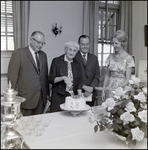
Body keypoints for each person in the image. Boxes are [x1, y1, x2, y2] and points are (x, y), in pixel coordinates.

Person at [7, 31, 49, 116]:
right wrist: (16, 98)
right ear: (31, 39)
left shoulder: (43, 55)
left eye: (42, 43)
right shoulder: (19, 53)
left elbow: (44, 77)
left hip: (41, 99)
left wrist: (47, 94)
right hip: (25, 99)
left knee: (39, 125)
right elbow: (12, 78)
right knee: (26, 125)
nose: (40, 45)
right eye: (38, 42)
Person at [96, 30, 135, 100]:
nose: (114, 45)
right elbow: (107, 75)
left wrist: (117, 88)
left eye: (116, 43)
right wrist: (104, 90)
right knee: (109, 108)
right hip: (110, 87)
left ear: (122, 43)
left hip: (122, 88)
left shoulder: (129, 59)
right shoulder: (110, 57)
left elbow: (127, 79)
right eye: (113, 43)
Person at [48, 41, 82, 112]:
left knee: (69, 119)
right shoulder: (56, 61)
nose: (72, 52)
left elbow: (79, 81)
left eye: (74, 50)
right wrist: (63, 78)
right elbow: (51, 79)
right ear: (65, 49)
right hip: (58, 96)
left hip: (72, 96)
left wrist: (80, 95)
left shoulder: (77, 64)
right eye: (70, 49)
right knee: (57, 118)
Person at [75, 35, 100, 106]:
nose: (85, 46)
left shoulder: (94, 58)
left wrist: (91, 88)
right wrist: (83, 86)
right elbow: (74, 76)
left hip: (91, 94)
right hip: (77, 93)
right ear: (79, 44)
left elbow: (97, 75)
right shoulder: (74, 57)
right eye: (83, 44)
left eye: (87, 44)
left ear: (89, 44)